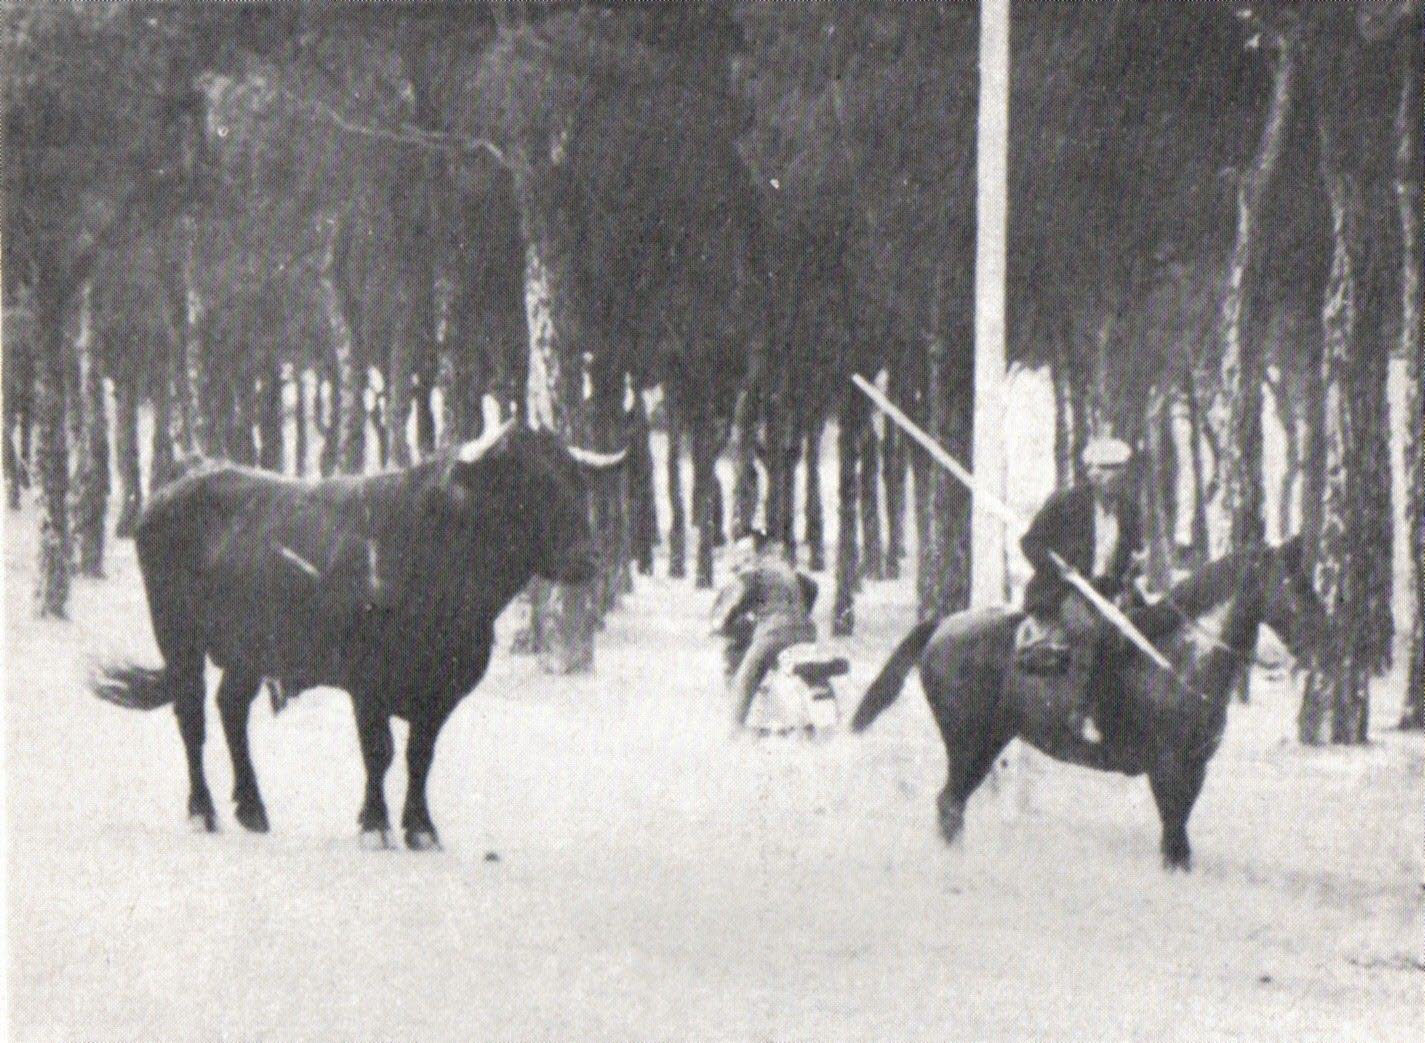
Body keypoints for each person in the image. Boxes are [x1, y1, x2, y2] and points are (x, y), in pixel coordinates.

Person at [1016, 436, 1142, 742]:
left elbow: (1131, 549)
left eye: (1120, 471)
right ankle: (1080, 713)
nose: (1116, 478)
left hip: (1108, 590)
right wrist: (1058, 570)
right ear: (1092, 474)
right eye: (1108, 471)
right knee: (1089, 631)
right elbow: (1030, 543)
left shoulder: (1128, 508)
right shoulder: (1066, 504)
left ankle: (1126, 709)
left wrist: (1135, 562)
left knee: (1144, 627)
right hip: (1063, 590)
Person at [712, 529, 818, 732]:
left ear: (757, 552)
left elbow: (737, 602)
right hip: (806, 631)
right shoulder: (787, 570)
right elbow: (812, 586)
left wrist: (722, 623)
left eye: (746, 553)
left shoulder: (754, 573)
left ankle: (733, 732)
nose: (743, 558)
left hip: (774, 634)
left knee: (745, 677)